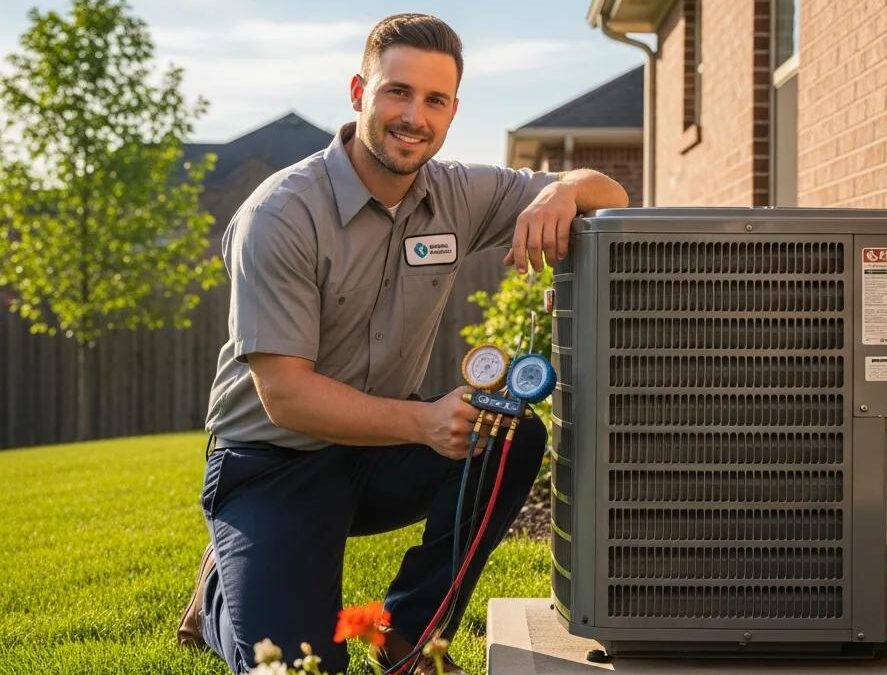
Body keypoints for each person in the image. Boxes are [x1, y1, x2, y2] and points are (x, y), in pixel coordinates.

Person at [176, 12, 628, 675]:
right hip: (273, 463)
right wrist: (422, 422)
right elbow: (287, 396)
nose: (414, 115)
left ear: (451, 111)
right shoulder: (281, 214)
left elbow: (610, 192)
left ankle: (406, 634)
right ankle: (221, 588)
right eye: (397, 92)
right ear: (360, 93)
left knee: (512, 434)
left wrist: (562, 192)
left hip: (379, 454)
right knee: (297, 664)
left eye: (434, 99)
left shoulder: (458, 193)